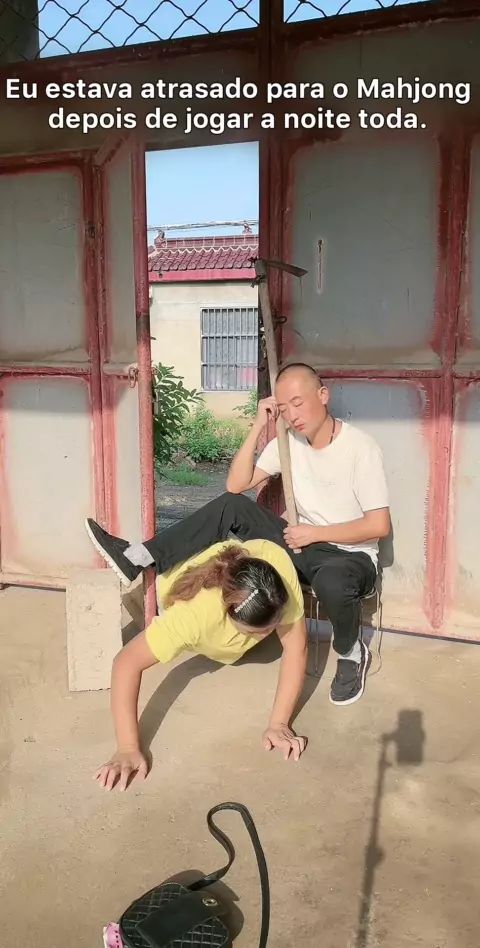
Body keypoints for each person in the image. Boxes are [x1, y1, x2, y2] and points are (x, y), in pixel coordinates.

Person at [86, 362, 390, 708]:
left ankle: (350, 652)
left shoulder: (360, 448)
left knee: (332, 583)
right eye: (284, 407)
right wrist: (259, 425)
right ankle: (137, 557)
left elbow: (378, 525)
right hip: (300, 543)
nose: (293, 415)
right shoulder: (287, 443)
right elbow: (235, 485)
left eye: (299, 402)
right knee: (231, 505)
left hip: (349, 556)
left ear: (323, 395)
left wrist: (315, 533)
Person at [94, 537, 308, 791]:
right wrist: (127, 747)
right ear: (227, 612)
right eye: (258, 631)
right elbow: (126, 663)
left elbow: (296, 647)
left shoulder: (275, 568)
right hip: (177, 591)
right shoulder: (193, 617)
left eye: (276, 623)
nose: (272, 632)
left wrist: (279, 724)